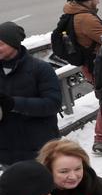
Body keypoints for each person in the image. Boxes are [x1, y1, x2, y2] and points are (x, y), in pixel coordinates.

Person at [62, 0, 102, 156]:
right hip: (96, 64)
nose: (99, 1)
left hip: (90, 63)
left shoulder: (77, 12)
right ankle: (101, 140)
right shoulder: (85, 18)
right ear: (88, 0)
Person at [0, 21, 61, 167]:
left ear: (14, 43)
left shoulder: (40, 69)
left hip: (40, 151)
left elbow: (53, 104)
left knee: (47, 189)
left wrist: (14, 104)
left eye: (1, 44)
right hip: (7, 153)